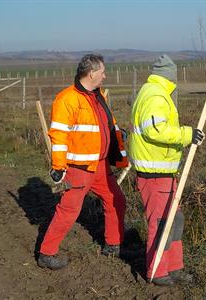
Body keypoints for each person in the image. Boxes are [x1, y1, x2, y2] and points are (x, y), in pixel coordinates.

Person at [37, 54, 129, 270]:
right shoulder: (66, 99)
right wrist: (58, 167)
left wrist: (118, 135)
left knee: (117, 200)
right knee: (68, 210)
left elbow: (108, 123)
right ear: (91, 73)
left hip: (101, 165)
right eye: (102, 72)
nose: (105, 76)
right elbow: (58, 135)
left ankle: (113, 244)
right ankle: (46, 254)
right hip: (79, 169)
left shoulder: (98, 96)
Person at [129, 54, 205, 286]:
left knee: (175, 220)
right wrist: (186, 135)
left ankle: (174, 266)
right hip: (155, 174)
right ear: (169, 76)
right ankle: (157, 271)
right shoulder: (155, 95)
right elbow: (156, 130)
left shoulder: (155, 92)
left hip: (164, 172)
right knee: (162, 223)